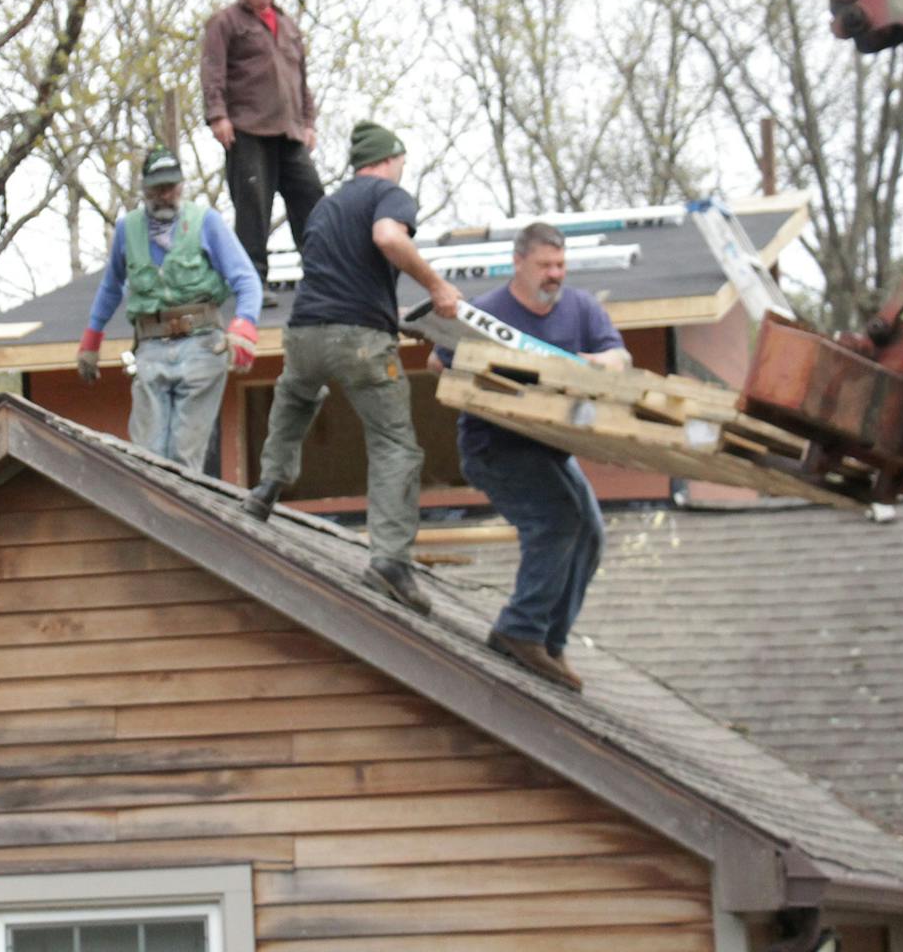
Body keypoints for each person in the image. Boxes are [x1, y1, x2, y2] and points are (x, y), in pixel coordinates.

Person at [245, 121, 459, 616]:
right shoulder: (388, 194)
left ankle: (266, 487)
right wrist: (437, 287)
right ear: (391, 158)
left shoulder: (325, 207)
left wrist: (395, 317)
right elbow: (387, 238)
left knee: (296, 397)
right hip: (358, 342)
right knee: (394, 445)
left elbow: (340, 280)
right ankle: (389, 562)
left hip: (303, 334)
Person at [438, 222, 629, 693]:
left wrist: (585, 363)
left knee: (591, 533)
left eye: (560, 265)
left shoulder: (581, 309)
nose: (555, 275)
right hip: (495, 446)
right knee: (558, 520)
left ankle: (550, 640)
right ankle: (518, 631)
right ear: (518, 263)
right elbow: (438, 363)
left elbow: (618, 359)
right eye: (545, 265)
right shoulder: (487, 313)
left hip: (551, 448)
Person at [77, 148, 262, 471]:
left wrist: (245, 324)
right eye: (157, 189)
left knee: (183, 457)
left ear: (181, 186)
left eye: (171, 187)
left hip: (203, 346)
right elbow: (111, 287)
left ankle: (182, 517)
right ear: (144, 190)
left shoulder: (206, 222)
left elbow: (246, 279)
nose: (165, 195)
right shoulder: (127, 230)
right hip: (151, 348)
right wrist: (92, 337)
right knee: (147, 457)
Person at [200, 0, 323, 278]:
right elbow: (212, 70)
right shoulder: (226, 21)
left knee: (311, 195)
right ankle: (252, 281)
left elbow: (302, 80)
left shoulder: (288, 25)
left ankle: (322, 274)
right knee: (253, 207)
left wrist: (309, 122)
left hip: (291, 130)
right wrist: (217, 115)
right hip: (248, 128)